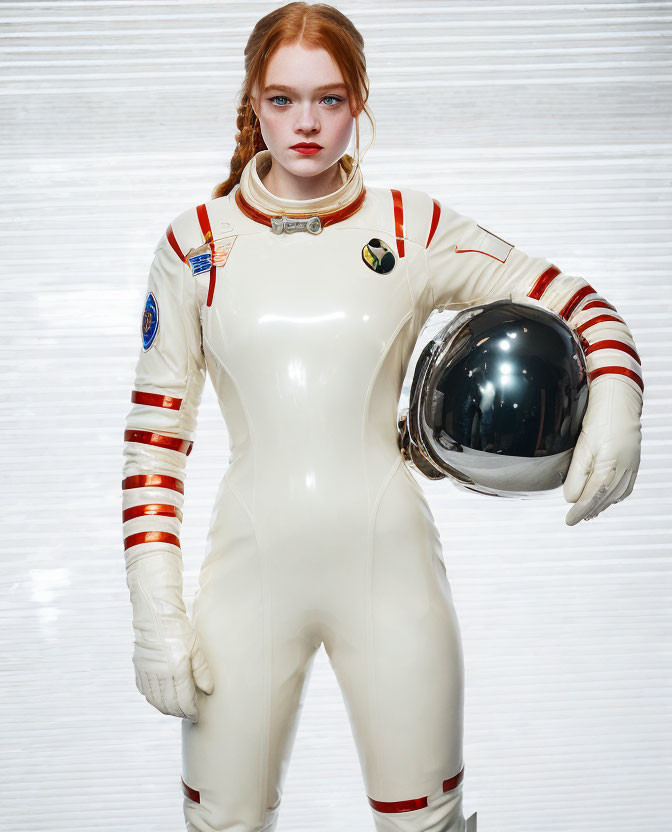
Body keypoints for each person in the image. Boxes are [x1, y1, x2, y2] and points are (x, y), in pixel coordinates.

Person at [120, 4, 644, 831]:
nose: (305, 122)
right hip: (249, 574)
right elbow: (155, 442)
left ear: (359, 102)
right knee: (223, 822)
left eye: (329, 99)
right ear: (252, 102)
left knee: (424, 823)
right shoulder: (195, 244)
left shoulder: (410, 225)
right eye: (283, 99)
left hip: (391, 569)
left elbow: (575, 301)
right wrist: (155, 613)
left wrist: (617, 383)